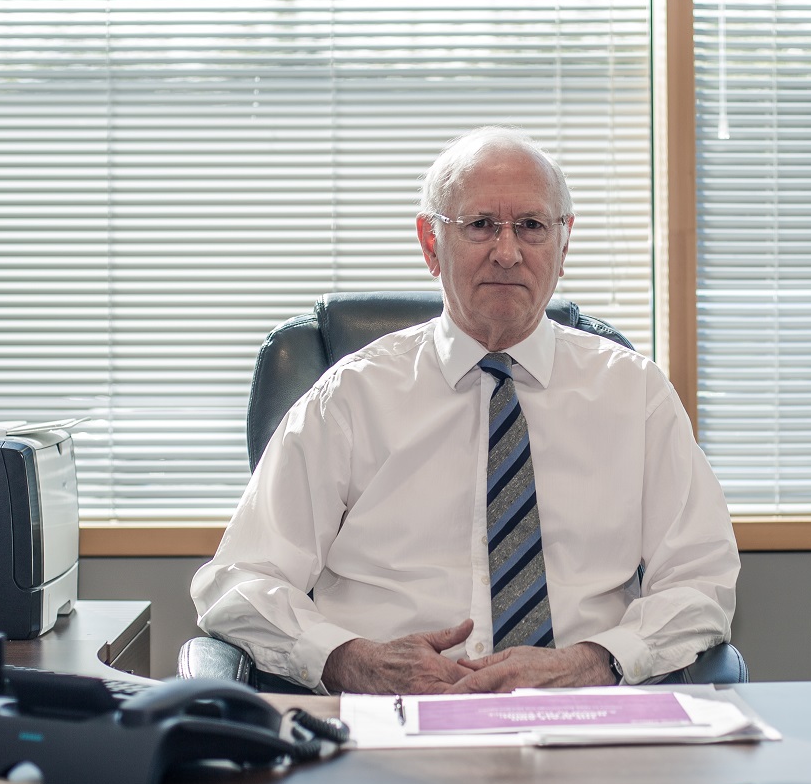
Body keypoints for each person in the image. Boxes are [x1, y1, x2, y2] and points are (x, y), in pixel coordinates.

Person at [190, 127, 738, 694]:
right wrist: (350, 660)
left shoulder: (636, 396)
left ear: (564, 243)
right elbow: (239, 582)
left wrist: (595, 661)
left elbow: (702, 583)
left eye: (531, 226)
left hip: (583, 718)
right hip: (389, 720)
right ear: (431, 244)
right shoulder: (350, 398)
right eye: (480, 226)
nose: (508, 251)